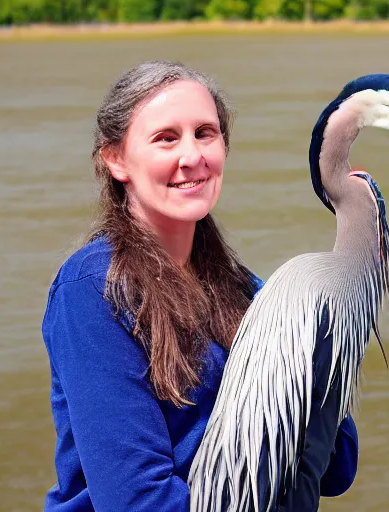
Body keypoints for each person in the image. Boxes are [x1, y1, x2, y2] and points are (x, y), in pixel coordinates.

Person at [42, 60, 359, 511]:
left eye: (205, 133)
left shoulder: (251, 293)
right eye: (166, 138)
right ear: (115, 160)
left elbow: (336, 469)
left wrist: (322, 349)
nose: (192, 156)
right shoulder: (93, 292)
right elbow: (137, 500)